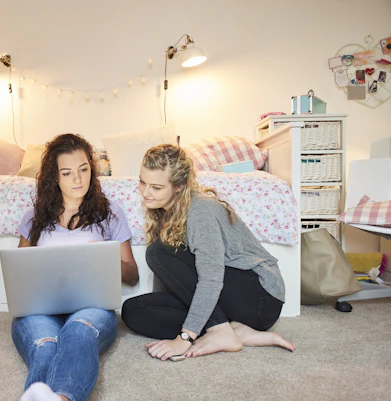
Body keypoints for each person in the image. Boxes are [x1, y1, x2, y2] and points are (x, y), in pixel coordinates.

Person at [121, 144, 294, 362]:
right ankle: (235, 330)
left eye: (156, 187)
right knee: (133, 310)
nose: (146, 193)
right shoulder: (165, 211)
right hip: (229, 301)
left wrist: (185, 337)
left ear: (178, 186)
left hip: (260, 298)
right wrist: (161, 302)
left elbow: (211, 279)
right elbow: (175, 275)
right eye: (142, 182)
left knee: (157, 251)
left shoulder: (200, 210)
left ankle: (219, 331)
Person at [13, 133, 139, 401]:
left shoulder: (110, 213)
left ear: (92, 169)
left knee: (78, 333)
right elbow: (19, 271)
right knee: (46, 347)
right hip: (39, 308)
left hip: (91, 306)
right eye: (67, 172)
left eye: (83, 169)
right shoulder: (34, 217)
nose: (78, 179)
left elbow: (132, 274)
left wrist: (102, 258)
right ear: (54, 177)